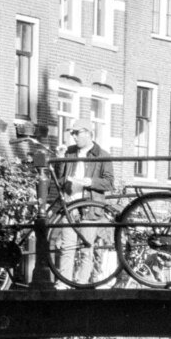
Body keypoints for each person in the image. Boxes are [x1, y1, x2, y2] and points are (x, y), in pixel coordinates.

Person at [52, 120, 115, 286]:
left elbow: (109, 183)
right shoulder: (70, 152)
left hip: (90, 207)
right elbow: (59, 179)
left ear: (87, 133)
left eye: (76, 133)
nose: (73, 137)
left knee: (87, 249)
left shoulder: (102, 154)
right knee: (67, 247)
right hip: (70, 204)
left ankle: (81, 284)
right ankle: (63, 283)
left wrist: (89, 181)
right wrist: (59, 159)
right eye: (72, 133)